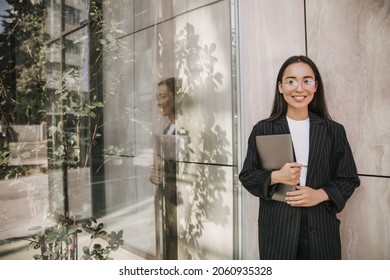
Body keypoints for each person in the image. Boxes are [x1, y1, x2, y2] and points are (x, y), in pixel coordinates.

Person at [239, 55, 360, 260]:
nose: (299, 88)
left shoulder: (333, 131)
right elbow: (247, 176)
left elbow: (349, 179)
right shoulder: (263, 129)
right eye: (291, 81)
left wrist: (320, 194)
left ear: (315, 86)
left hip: (321, 230)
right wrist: (276, 176)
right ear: (280, 87)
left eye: (307, 80)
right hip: (278, 232)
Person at [151, 77, 183, 260]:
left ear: (176, 97)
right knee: (165, 239)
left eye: (163, 96)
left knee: (174, 240)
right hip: (164, 194)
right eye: (157, 97)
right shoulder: (167, 129)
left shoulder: (184, 127)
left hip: (177, 196)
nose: (159, 102)